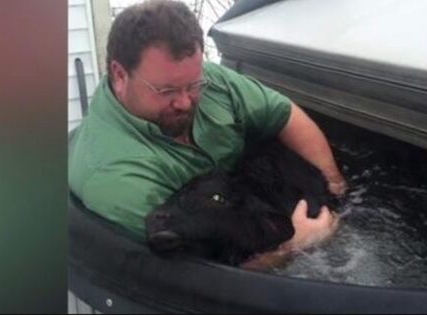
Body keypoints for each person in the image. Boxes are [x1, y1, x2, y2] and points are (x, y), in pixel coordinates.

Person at [68, 0, 346, 267]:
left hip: (243, 199)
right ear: (119, 75)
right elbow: (197, 276)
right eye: (167, 91)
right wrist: (295, 246)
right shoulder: (117, 178)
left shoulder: (201, 79)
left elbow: (286, 116)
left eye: (194, 85)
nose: (186, 102)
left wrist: (336, 194)